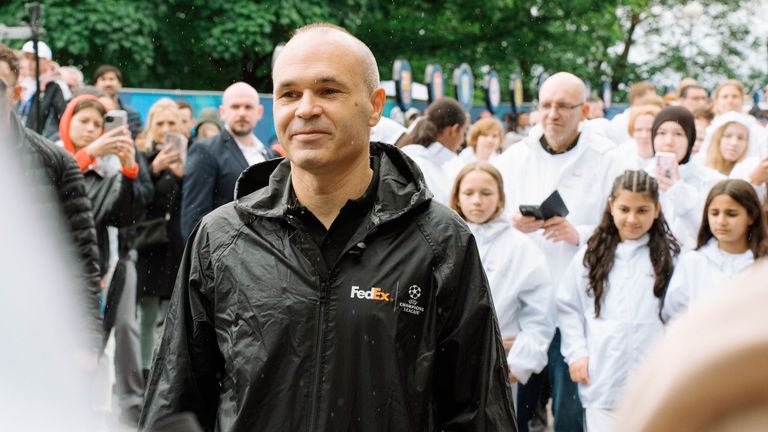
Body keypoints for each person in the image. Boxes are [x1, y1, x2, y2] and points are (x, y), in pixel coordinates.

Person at [141, 23, 516, 431]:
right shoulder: (221, 238)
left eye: (328, 91)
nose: (305, 109)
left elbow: (479, 411)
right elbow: (174, 404)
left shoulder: (440, 242)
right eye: (289, 94)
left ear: (374, 106)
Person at [494, 71, 620, 432]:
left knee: (570, 413)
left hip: (577, 302)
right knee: (514, 409)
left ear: (584, 111)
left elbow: (627, 226)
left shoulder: (607, 159)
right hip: (522, 304)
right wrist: (510, 222)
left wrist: (577, 233)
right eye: (546, 105)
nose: (553, 114)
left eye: (564, 106)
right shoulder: (515, 157)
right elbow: (483, 219)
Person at [557, 170, 680, 432]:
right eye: (624, 209)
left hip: (655, 379)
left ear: (657, 209)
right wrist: (577, 353)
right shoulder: (591, 255)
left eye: (642, 210)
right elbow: (569, 307)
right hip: (603, 379)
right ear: (611, 205)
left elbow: (682, 313)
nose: (632, 219)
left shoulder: (670, 258)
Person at [0, 42, 102, 356]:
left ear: (14, 95)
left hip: (28, 335)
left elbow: (81, 259)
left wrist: (86, 342)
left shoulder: (56, 163)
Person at [58, 94, 147, 424]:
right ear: (68, 122)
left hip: (100, 269)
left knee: (97, 350)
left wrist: (129, 170)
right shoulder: (53, 157)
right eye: (84, 122)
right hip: (58, 271)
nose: (92, 129)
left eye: (98, 124)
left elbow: (124, 217)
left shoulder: (105, 171)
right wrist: (87, 155)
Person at [450, 162, 555, 402]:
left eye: (486, 193)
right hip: (446, 366)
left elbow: (540, 314)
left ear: (500, 198)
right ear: (457, 197)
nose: (477, 201)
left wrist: (519, 363)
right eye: (468, 193)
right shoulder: (439, 240)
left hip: (498, 367)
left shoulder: (520, 248)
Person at [180, 82, 276, 239]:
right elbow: (193, 218)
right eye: (235, 107)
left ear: (259, 112)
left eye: (248, 107)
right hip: (225, 254)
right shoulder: (205, 150)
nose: (242, 113)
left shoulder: (268, 154)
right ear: (222, 112)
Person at [662, 179, 768, 321]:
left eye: (731, 214)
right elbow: (674, 313)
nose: (721, 221)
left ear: (751, 217)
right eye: (714, 213)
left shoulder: (762, 265)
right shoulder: (694, 262)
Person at [134, 98, 185, 377]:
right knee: (147, 315)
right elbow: (138, 199)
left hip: (178, 243)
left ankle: (169, 375)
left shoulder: (192, 156)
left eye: (171, 123)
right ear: (151, 126)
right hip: (150, 245)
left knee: (176, 315)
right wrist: (154, 170)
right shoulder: (142, 156)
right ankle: (143, 374)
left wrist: (182, 175)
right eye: (160, 123)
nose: (166, 129)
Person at [647, 106, 725, 248]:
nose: (668, 141)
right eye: (661, 133)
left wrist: (679, 192)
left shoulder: (713, 182)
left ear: (690, 139)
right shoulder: (639, 179)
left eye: (678, 134)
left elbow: (712, 235)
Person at [400, 97, 468, 205]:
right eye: (464, 132)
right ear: (454, 130)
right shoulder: (420, 165)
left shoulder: (419, 160)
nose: (463, 140)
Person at [17, 40, 68, 139]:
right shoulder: (21, 84)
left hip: (43, 144)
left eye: (35, 58)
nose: (30, 62)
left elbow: (62, 118)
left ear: (48, 62)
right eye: (27, 57)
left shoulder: (56, 86)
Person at [93, 64, 143, 138]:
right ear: (95, 85)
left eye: (111, 79)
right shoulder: (89, 113)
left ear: (120, 84)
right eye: (103, 79)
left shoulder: (132, 115)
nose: (108, 83)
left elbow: (138, 143)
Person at [611, 104, 660, 170]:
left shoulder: (668, 156)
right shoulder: (620, 155)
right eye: (639, 130)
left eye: (650, 130)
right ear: (632, 131)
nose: (644, 135)